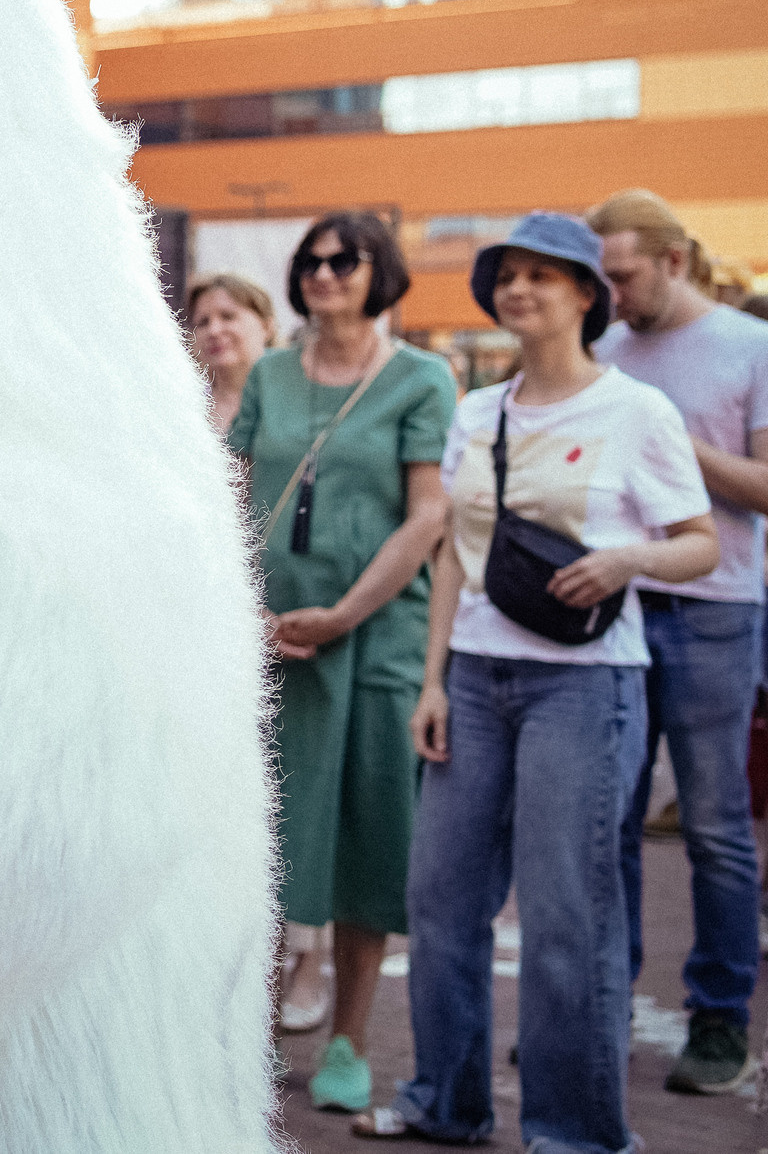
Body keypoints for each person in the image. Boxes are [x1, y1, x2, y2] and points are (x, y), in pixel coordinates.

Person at [359, 212, 718, 1150]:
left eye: (542, 276)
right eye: (506, 276)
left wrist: (623, 560)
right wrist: (432, 682)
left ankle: (575, 1131)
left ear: (586, 294)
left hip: (586, 686)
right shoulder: (477, 412)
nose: (519, 290)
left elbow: (701, 545)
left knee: (568, 916)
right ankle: (446, 1101)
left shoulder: (637, 411)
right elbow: (451, 558)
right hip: (474, 678)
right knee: (440, 900)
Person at [229, 211, 456, 1112]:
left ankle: (350, 1042)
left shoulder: (421, 378)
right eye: (311, 261)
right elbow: (239, 496)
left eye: (344, 260)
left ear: (380, 273)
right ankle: (241, 1034)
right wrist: (247, 604)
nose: (324, 273)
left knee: (369, 836)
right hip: (269, 634)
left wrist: (345, 614)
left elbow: (427, 515)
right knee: (256, 837)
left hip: (373, 641)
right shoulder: (271, 375)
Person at [588, 188, 768, 1094]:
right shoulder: (607, 349)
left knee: (715, 826)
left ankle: (719, 1022)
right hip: (615, 609)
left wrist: (669, 444)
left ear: (673, 260)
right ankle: (603, 1009)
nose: (611, 295)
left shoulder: (751, 345)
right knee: (610, 821)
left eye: (622, 276)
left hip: (715, 608)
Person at [188, 271, 275, 434]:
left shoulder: (295, 395)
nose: (213, 331)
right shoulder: (185, 407)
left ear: (266, 326)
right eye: (203, 322)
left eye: (228, 317)